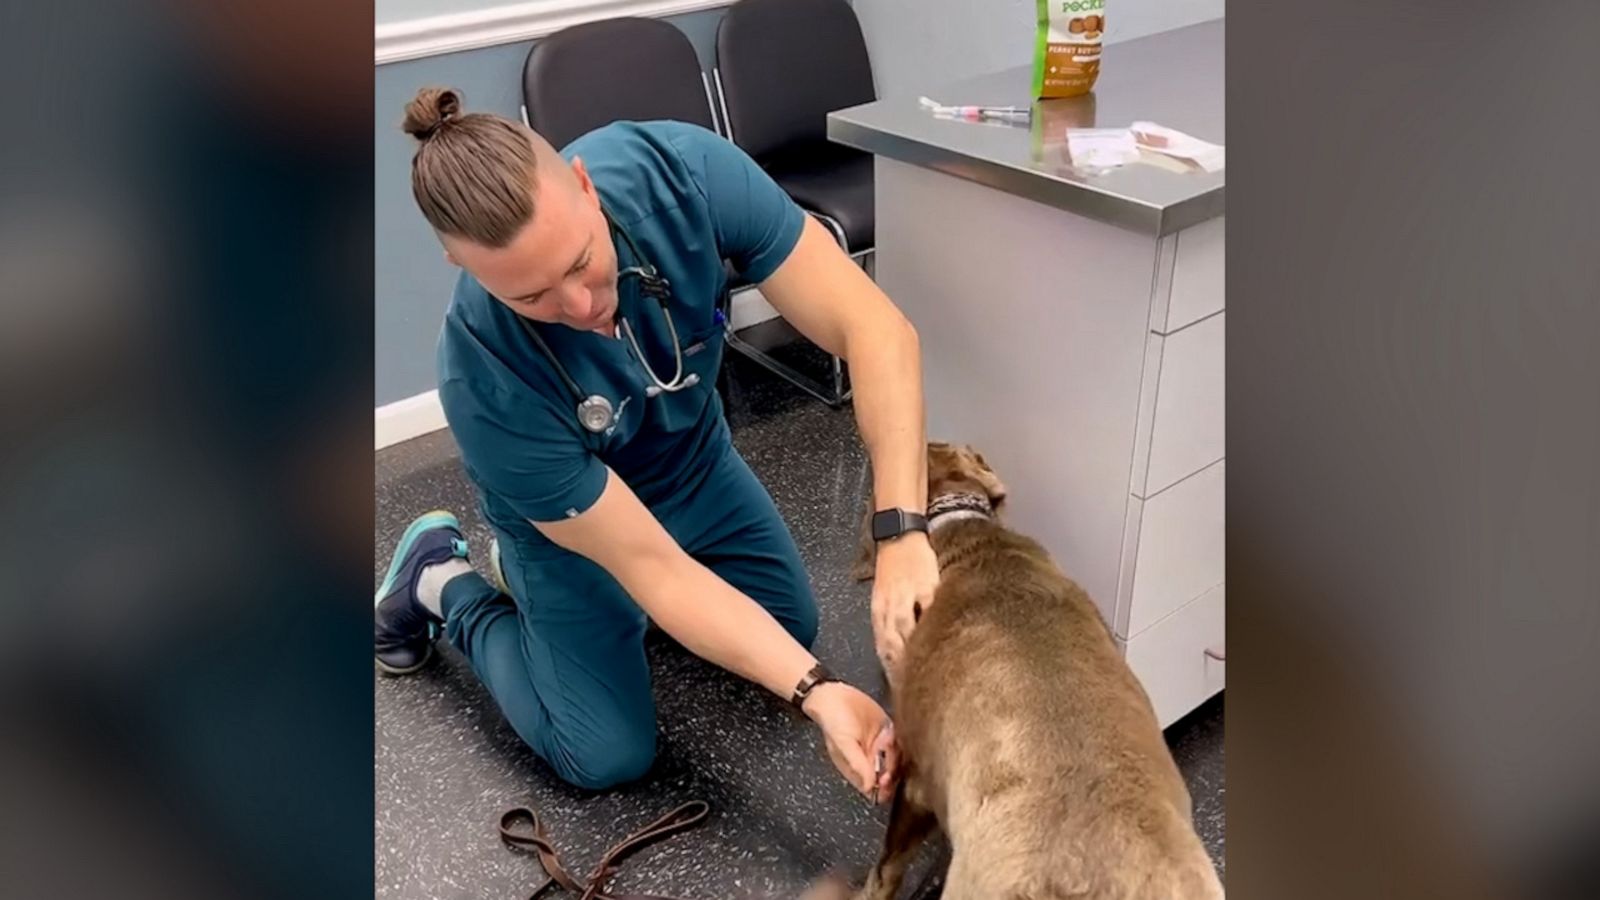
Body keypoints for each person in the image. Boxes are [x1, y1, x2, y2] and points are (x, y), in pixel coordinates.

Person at [374, 86, 937, 797]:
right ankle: (443, 584)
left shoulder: (682, 173)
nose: (580, 305)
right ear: (469, 269)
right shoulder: (482, 376)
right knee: (605, 754)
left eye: (581, 260)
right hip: (570, 528)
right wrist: (820, 694)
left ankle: (571, 612)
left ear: (583, 184)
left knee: (787, 624)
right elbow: (659, 571)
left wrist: (901, 531)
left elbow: (877, 331)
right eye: (533, 297)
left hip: (690, 464)